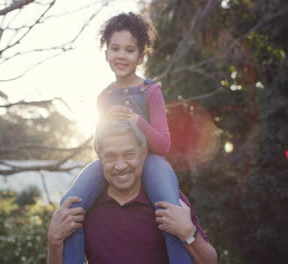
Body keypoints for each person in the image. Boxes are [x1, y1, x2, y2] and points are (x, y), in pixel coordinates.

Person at [60, 12, 191, 264]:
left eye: (129, 50)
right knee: (69, 206)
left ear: (141, 56)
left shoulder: (150, 90)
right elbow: (99, 147)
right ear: (106, 52)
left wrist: (138, 121)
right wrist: (105, 121)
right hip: (113, 160)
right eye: (115, 48)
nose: (121, 55)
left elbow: (163, 144)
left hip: (150, 161)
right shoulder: (104, 96)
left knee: (170, 213)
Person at [48, 120, 218, 264]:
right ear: (100, 159)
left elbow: (211, 261)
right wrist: (54, 242)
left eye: (129, 154)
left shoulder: (171, 202)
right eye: (111, 156)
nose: (120, 166)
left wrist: (188, 233)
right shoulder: (82, 209)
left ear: (143, 154)